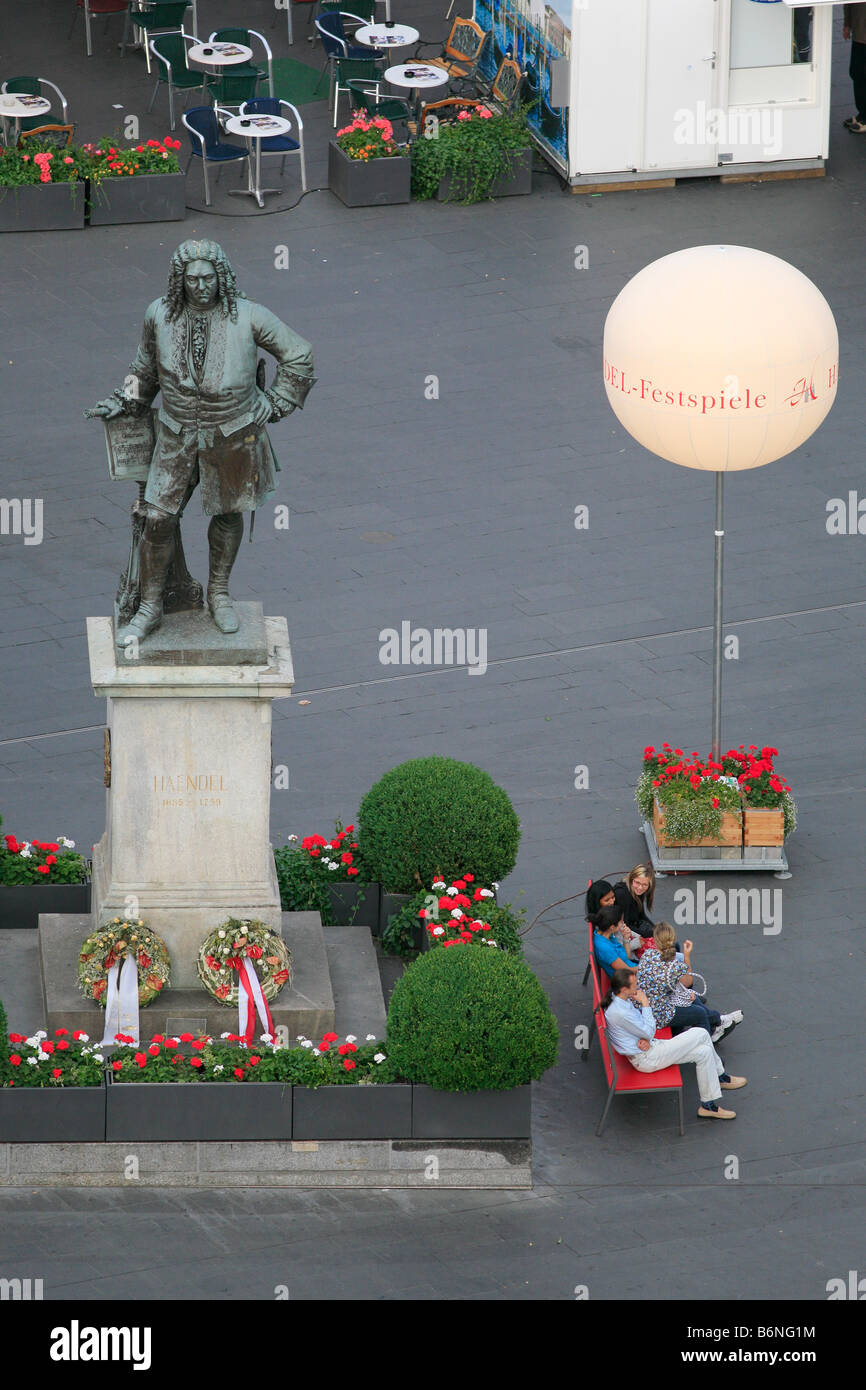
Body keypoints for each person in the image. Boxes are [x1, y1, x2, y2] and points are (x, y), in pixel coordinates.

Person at [88, 239, 316, 647]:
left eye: (208, 278)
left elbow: (299, 354)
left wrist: (277, 402)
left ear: (222, 277)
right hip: (176, 435)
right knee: (157, 517)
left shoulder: (248, 315)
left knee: (228, 514)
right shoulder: (158, 314)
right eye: (192, 279)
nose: (201, 287)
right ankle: (150, 606)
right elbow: (143, 370)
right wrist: (123, 400)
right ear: (180, 280)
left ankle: (219, 593)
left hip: (231, 434)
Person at [601, 968, 747, 1120]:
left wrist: (636, 1038)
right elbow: (650, 1030)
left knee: (704, 1052)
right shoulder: (621, 1011)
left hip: (648, 1048)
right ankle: (721, 1077)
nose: (638, 987)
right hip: (648, 1058)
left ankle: (708, 1106)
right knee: (702, 1033)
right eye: (634, 985)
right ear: (624, 989)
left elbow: (635, 1030)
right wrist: (645, 1004)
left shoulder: (617, 999)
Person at [637, 922, 743, 1043]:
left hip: (645, 1004)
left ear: (655, 940)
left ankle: (717, 1021)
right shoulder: (673, 966)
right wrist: (686, 956)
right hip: (658, 1014)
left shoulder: (647, 955)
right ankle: (707, 1044)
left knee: (691, 998)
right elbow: (688, 982)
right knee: (700, 1013)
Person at [589, 904, 641, 979]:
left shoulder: (605, 934)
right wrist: (646, 967)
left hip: (633, 969)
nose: (623, 923)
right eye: (621, 921)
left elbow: (627, 957)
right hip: (630, 979)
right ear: (612, 927)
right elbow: (627, 971)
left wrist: (626, 938)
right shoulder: (605, 948)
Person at [614, 863, 656, 939]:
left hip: (634, 926)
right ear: (631, 879)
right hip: (623, 933)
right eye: (637, 882)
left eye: (644, 885)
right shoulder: (622, 894)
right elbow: (624, 925)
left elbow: (641, 915)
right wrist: (652, 934)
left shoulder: (637, 891)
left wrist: (657, 930)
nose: (640, 887)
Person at [843, 4, 866, 132]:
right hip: (859, 31)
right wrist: (847, 23)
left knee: (862, 73)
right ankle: (862, 113)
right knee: (856, 72)